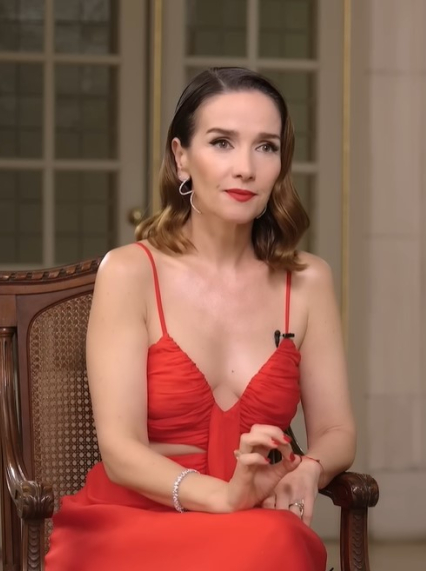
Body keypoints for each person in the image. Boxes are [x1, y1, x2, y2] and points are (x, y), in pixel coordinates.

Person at [44, 67, 356, 571]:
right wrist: (224, 498)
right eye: (222, 143)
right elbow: (120, 450)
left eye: (266, 147)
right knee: (270, 546)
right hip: (135, 521)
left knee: (274, 543)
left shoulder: (308, 281)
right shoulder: (129, 272)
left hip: (256, 526)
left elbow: (337, 428)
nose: (245, 168)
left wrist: (310, 469)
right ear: (181, 157)